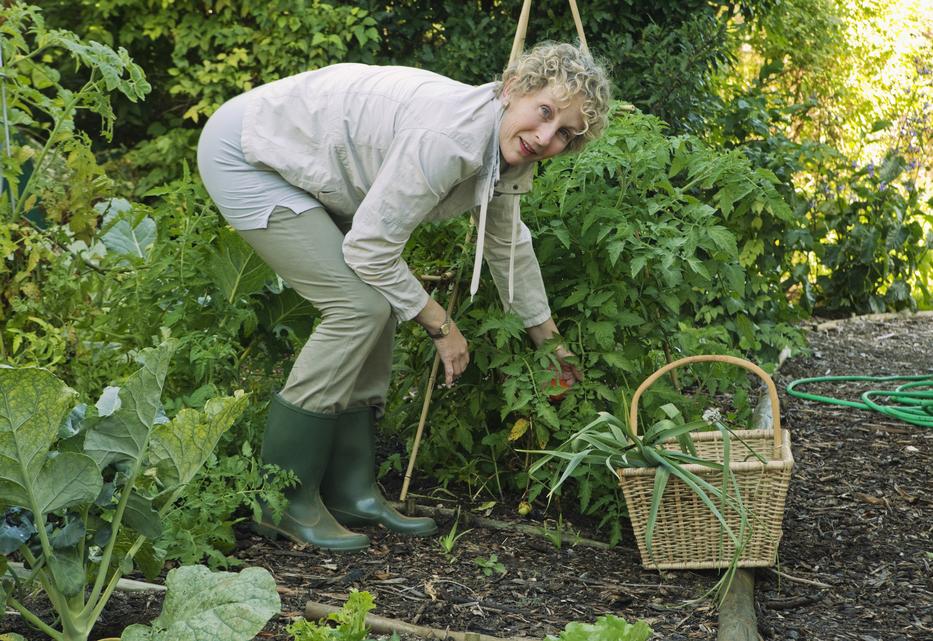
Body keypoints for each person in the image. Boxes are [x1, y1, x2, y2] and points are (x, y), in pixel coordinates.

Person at [197, 42, 612, 552]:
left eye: (564, 133)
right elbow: (371, 250)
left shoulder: (509, 151)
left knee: (380, 308)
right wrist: (443, 327)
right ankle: (282, 500)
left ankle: (351, 492)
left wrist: (549, 343)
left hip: (315, 169)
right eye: (544, 113)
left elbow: (507, 245)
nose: (546, 136)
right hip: (250, 152)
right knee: (359, 307)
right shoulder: (448, 138)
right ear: (512, 91)